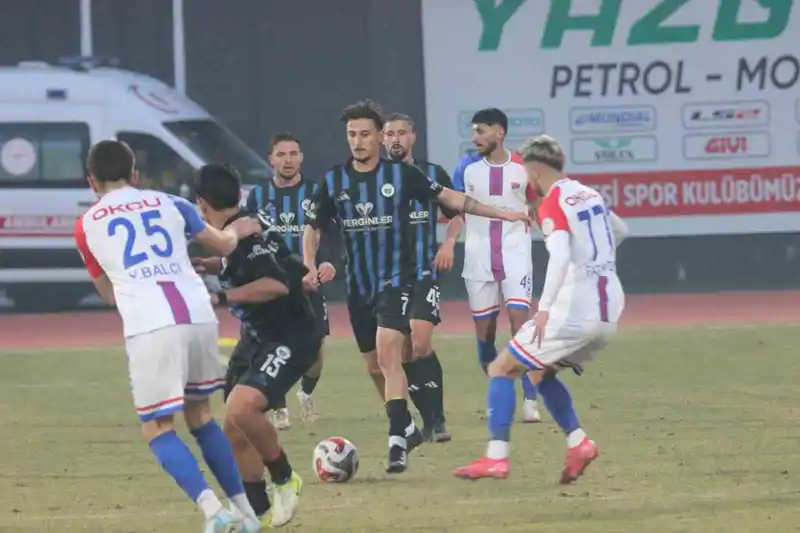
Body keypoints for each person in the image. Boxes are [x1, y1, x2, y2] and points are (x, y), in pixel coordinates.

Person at [301, 99, 530, 473]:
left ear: (378, 136)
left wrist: (504, 214)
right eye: (351, 134)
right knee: (375, 365)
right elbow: (313, 227)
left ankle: (397, 442)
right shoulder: (333, 181)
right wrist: (309, 264)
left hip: (398, 280)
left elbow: (452, 200)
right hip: (359, 288)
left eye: (364, 134)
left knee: (392, 351)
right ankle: (408, 427)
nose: (357, 141)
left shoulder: (403, 175)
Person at [74, 140, 263, 533]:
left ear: (92, 181)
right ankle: (246, 513)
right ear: (135, 174)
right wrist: (242, 228)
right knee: (201, 415)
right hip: (198, 312)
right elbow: (225, 244)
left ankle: (214, 513)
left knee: (158, 427)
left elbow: (109, 293)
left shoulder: (87, 224)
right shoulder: (171, 203)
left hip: (151, 323)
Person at [454, 135, 629, 484]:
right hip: (610, 307)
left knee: (501, 368)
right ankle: (579, 444)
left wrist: (545, 308)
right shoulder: (589, 194)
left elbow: (560, 257)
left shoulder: (552, 203)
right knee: (537, 372)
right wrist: (596, 263)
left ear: (534, 172)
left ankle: (496, 458)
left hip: (575, 309)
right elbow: (621, 230)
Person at [194, 163, 312, 527]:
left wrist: (222, 297)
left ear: (202, 204)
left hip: (289, 336)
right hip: (257, 338)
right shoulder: (241, 226)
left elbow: (275, 283)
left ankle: (285, 478)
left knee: (242, 408)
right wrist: (211, 265)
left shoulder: (244, 236)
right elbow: (251, 262)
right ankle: (254, 511)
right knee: (234, 426)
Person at [448, 108, 543, 423]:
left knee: (519, 326)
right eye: (474, 131)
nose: (475, 137)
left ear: (499, 133)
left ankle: (530, 399)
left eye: (481, 131)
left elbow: (536, 204)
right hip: (478, 258)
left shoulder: (523, 167)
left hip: (516, 254)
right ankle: (499, 393)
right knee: (485, 334)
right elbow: (456, 209)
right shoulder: (466, 168)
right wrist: (449, 240)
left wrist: (552, 231)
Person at [245, 132, 338, 428]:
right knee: (270, 344)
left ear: (302, 157)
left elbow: (331, 232)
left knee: (315, 348)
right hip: (272, 284)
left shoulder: (315, 192)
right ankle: (278, 406)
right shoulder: (257, 196)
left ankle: (305, 394)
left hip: (307, 281)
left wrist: (329, 261)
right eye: (282, 154)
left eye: (293, 154)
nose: (288, 160)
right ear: (271, 159)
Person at [383, 112, 456, 443]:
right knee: (403, 351)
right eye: (390, 134)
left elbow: (456, 213)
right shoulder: (373, 179)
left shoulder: (432, 174)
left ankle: (438, 420)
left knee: (420, 342)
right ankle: (427, 420)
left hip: (424, 270)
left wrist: (449, 243)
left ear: (413, 137)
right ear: (382, 139)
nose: (396, 139)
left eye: (402, 133)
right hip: (388, 276)